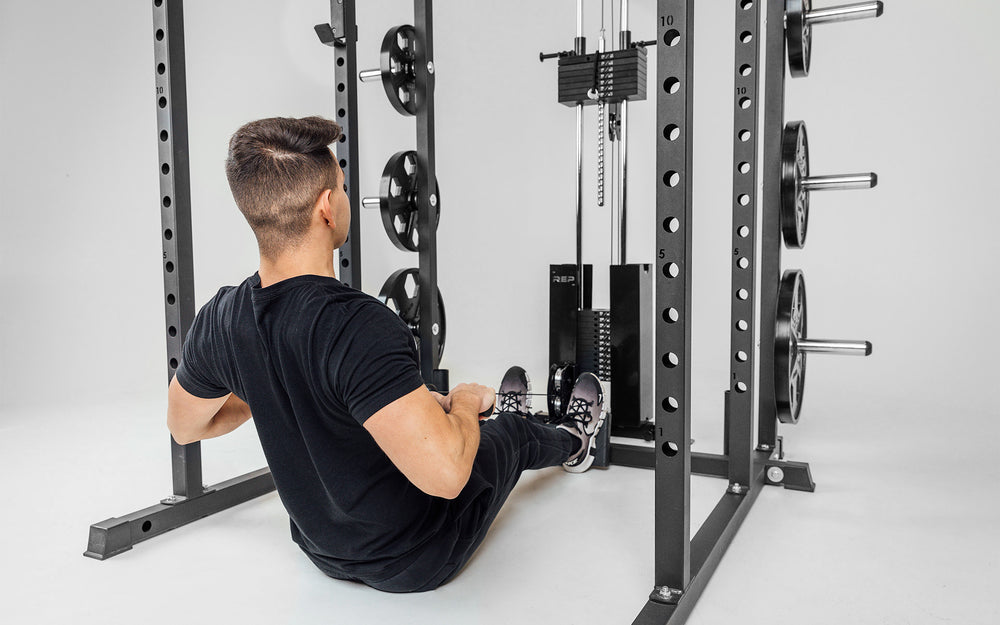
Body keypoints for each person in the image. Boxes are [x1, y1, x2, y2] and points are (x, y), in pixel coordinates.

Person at [166, 116, 608, 593]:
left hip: (323, 553)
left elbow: (184, 426)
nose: (343, 194)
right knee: (513, 433)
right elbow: (447, 475)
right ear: (326, 209)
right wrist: (461, 402)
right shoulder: (359, 323)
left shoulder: (221, 318)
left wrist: (273, 384)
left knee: (418, 413)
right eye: (340, 184)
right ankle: (577, 440)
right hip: (419, 556)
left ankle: (486, 419)